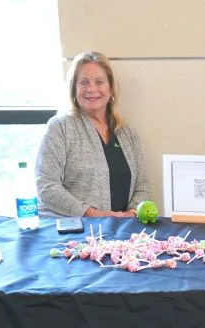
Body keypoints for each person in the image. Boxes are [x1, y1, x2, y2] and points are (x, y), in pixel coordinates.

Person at [36, 51, 149, 217]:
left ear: (111, 88)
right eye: (84, 82)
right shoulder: (60, 127)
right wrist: (93, 214)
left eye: (99, 82)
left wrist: (131, 214)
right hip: (73, 228)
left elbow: (142, 187)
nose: (91, 89)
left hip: (121, 228)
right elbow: (46, 186)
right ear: (74, 89)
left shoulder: (128, 134)